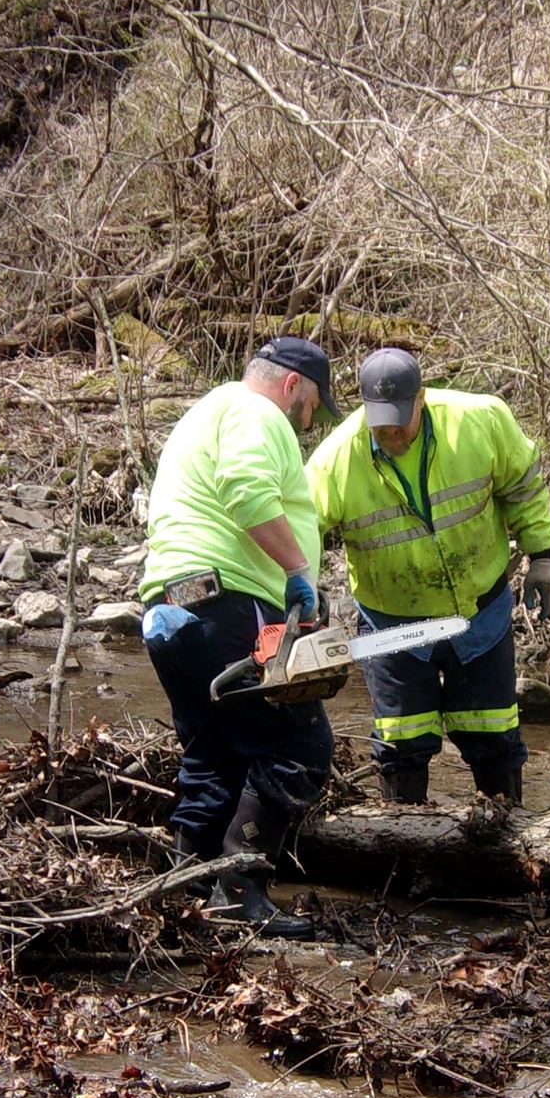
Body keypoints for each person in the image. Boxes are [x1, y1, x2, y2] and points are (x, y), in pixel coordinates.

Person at [138, 336, 339, 937]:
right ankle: (239, 890)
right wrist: (299, 573)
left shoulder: (207, 411)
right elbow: (247, 491)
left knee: (215, 753)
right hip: (226, 601)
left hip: (170, 610)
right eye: (310, 410)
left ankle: (187, 885)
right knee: (298, 747)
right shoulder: (258, 413)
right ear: (292, 386)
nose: (306, 425)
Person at [306, 348, 550, 806]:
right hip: (393, 626)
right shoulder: (335, 461)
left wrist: (543, 555)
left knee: (493, 738)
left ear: (422, 398)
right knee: (402, 745)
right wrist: (300, 592)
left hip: (480, 613)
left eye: (398, 422)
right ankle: (406, 849)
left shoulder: (480, 421)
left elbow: (523, 486)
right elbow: (301, 528)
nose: (389, 433)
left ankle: (507, 845)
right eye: (379, 423)